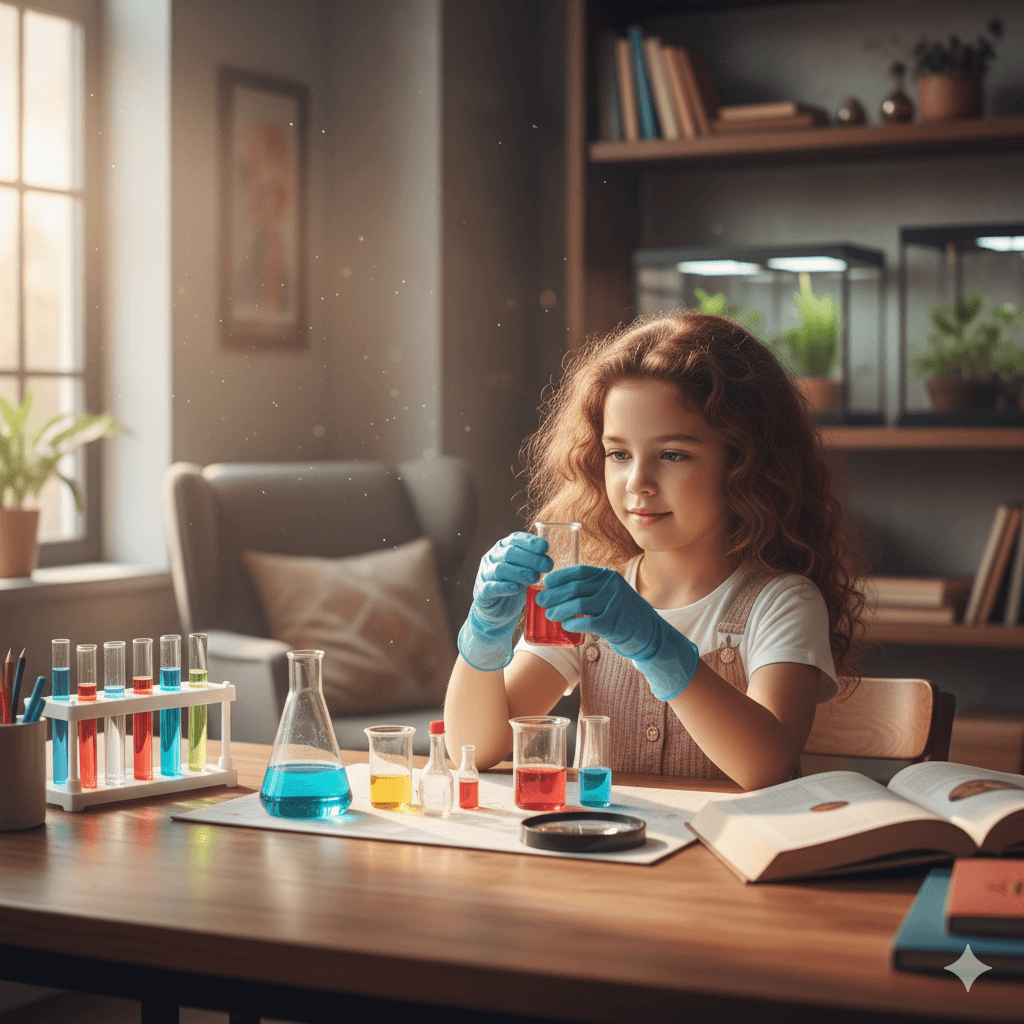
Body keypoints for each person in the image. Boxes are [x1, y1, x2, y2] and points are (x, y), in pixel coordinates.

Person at [444, 311, 866, 791]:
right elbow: (473, 749)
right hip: (608, 860)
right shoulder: (589, 600)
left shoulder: (784, 602)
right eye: (618, 454)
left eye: (672, 455)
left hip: (725, 862)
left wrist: (656, 643)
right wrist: (483, 634)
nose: (638, 483)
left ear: (744, 464)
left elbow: (764, 765)